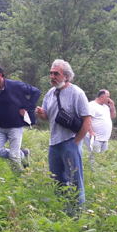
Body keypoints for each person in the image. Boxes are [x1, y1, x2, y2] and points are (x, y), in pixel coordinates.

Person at [35, 59, 91, 214]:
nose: (52, 76)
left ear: (66, 76)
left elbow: (87, 121)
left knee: (75, 181)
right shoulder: (50, 93)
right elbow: (47, 117)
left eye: (56, 74)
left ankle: (78, 216)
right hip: (54, 144)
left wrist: (76, 142)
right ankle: (64, 211)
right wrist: (41, 114)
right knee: (57, 180)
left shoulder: (77, 93)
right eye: (51, 73)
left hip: (70, 143)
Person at [0, 64, 41, 171]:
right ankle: (23, 154)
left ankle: (20, 177)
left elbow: (36, 92)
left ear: (0, 75)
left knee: (13, 156)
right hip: (0, 126)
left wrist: (26, 108)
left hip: (15, 126)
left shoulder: (15, 86)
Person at [83, 89, 116, 166]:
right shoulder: (92, 105)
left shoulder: (105, 107)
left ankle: (101, 174)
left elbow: (113, 116)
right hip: (95, 137)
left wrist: (112, 106)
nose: (109, 99)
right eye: (108, 97)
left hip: (105, 138)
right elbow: (86, 120)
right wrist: (91, 131)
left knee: (103, 158)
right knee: (94, 157)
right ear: (101, 97)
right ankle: (92, 174)